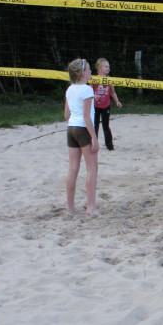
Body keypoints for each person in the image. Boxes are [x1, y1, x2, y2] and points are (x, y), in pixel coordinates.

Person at [64, 58, 100, 216]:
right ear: (83, 73)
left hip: (71, 128)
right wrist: (94, 137)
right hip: (83, 129)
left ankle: (70, 208)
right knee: (92, 168)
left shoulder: (70, 89)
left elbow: (66, 114)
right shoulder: (87, 89)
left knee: (73, 169)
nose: (91, 71)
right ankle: (90, 208)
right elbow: (86, 117)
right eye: (89, 69)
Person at [93, 58, 123, 150]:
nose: (108, 68)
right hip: (95, 106)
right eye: (106, 66)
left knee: (106, 126)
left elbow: (112, 92)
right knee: (95, 126)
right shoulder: (94, 79)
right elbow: (88, 91)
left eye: (108, 67)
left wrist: (117, 101)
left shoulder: (109, 80)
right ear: (99, 67)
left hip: (106, 105)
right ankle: (94, 144)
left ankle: (109, 145)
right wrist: (94, 96)